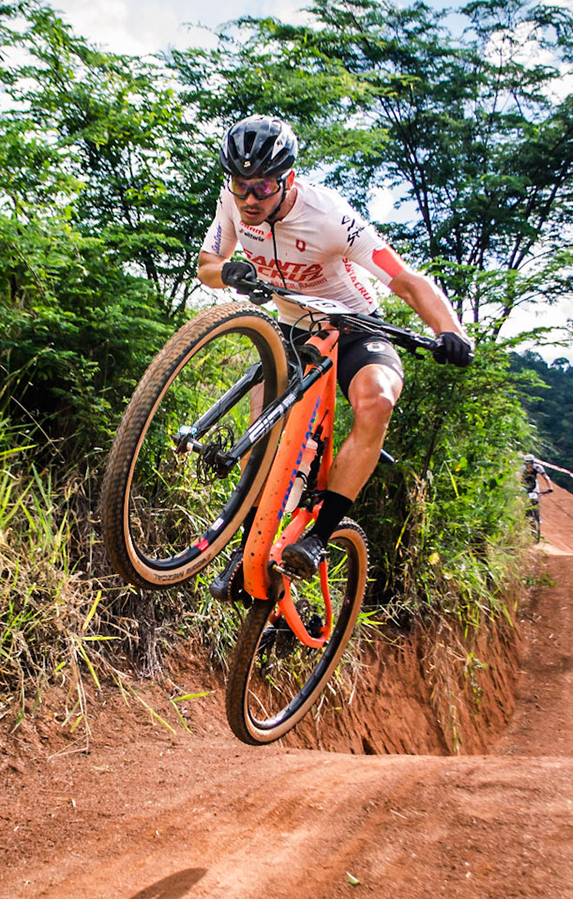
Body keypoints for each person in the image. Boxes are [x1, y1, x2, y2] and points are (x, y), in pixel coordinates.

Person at [198, 114, 474, 593]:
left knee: (378, 399)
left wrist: (448, 328)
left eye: (262, 188)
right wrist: (231, 274)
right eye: (240, 186)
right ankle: (248, 554)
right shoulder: (233, 202)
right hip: (291, 327)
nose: (249, 200)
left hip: (353, 326)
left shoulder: (329, 216)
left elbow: (406, 279)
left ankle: (320, 536)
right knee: (262, 435)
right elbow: (208, 266)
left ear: (288, 180)